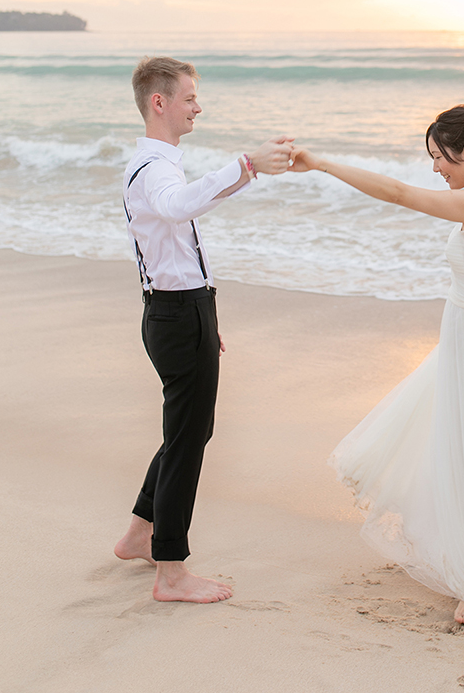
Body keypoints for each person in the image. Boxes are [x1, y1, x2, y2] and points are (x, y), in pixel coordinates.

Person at [290, 105, 464, 629]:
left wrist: (322, 164)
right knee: (461, 450)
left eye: (440, 159)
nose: (436, 169)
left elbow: (398, 195)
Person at [114, 56, 293, 604]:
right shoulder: (154, 171)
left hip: (181, 310)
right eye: (190, 97)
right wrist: (247, 165)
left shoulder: (159, 163)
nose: (198, 105)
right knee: (189, 438)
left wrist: (205, 317)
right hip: (175, 313)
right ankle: (171, 571)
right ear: (159, 102)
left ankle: (139, 534)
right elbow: (178, 206)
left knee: (187, 431)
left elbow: (186, 229)